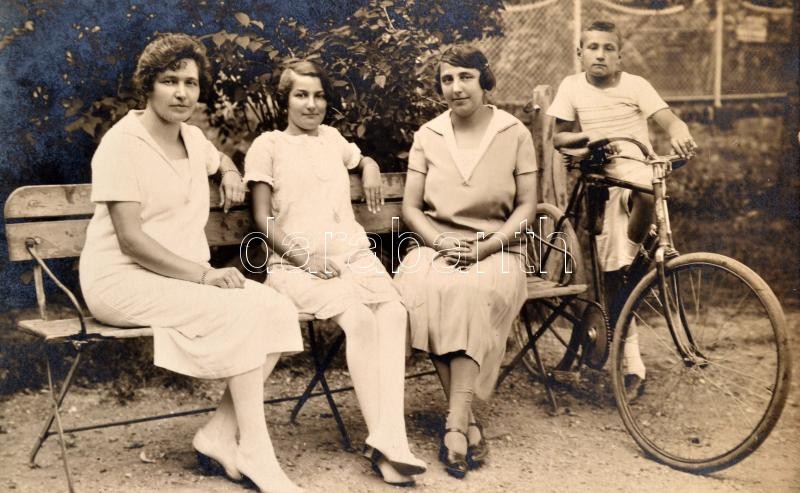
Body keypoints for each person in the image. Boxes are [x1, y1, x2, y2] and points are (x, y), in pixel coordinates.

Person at [78, 34, 304, 493]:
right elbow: (131, 240)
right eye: (170, 81)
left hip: (179, 280)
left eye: (191, 83)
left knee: (278, 308)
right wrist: (204, 275)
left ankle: (219, 433)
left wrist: (231, 171)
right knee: (242, 310)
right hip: (120, 280)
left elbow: (217, 157)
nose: (181, 93)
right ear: (148, 85)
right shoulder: (121, 145)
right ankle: (256, 452)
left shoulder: (193, 137)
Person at [244, 60, 427, 487]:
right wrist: (305, 260)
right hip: (296, 266)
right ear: (285, 101)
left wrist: (371, 166)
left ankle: (388, 440)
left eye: (319, 96)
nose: (311, 104)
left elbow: (360, 158)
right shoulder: (268, 145)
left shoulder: (332, 139)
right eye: (301, 95)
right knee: (360, 319)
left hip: (352, 256)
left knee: (394, 313)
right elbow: (261, 219)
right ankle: (389, 445)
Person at [394, 45, 538, 479]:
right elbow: (411, 208)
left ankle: (455, 425)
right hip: (438, 246)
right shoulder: (429, 135)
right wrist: (439, 242)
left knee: (471, 290)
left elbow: (527, 207)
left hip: (500, 249)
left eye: (465, 77)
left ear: (483, 80)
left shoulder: (513, 132)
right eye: (447, 79)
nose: (456, 88)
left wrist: (486, 247)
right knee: (416, 284)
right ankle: (466, 421)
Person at [547, 20, 697, 398]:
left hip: (637, 169)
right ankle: (632, 362)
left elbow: (667, 118)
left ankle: (632, 260)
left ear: (620, 56)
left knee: (647, 192)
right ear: (580, 54)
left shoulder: (636, 85)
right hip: (603, 177)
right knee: (614, 273)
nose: (600, 54)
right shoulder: (571, 86)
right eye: (592, 47)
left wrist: (678, 130)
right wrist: (590, 138)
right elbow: (560, 136)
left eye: (608, 48)